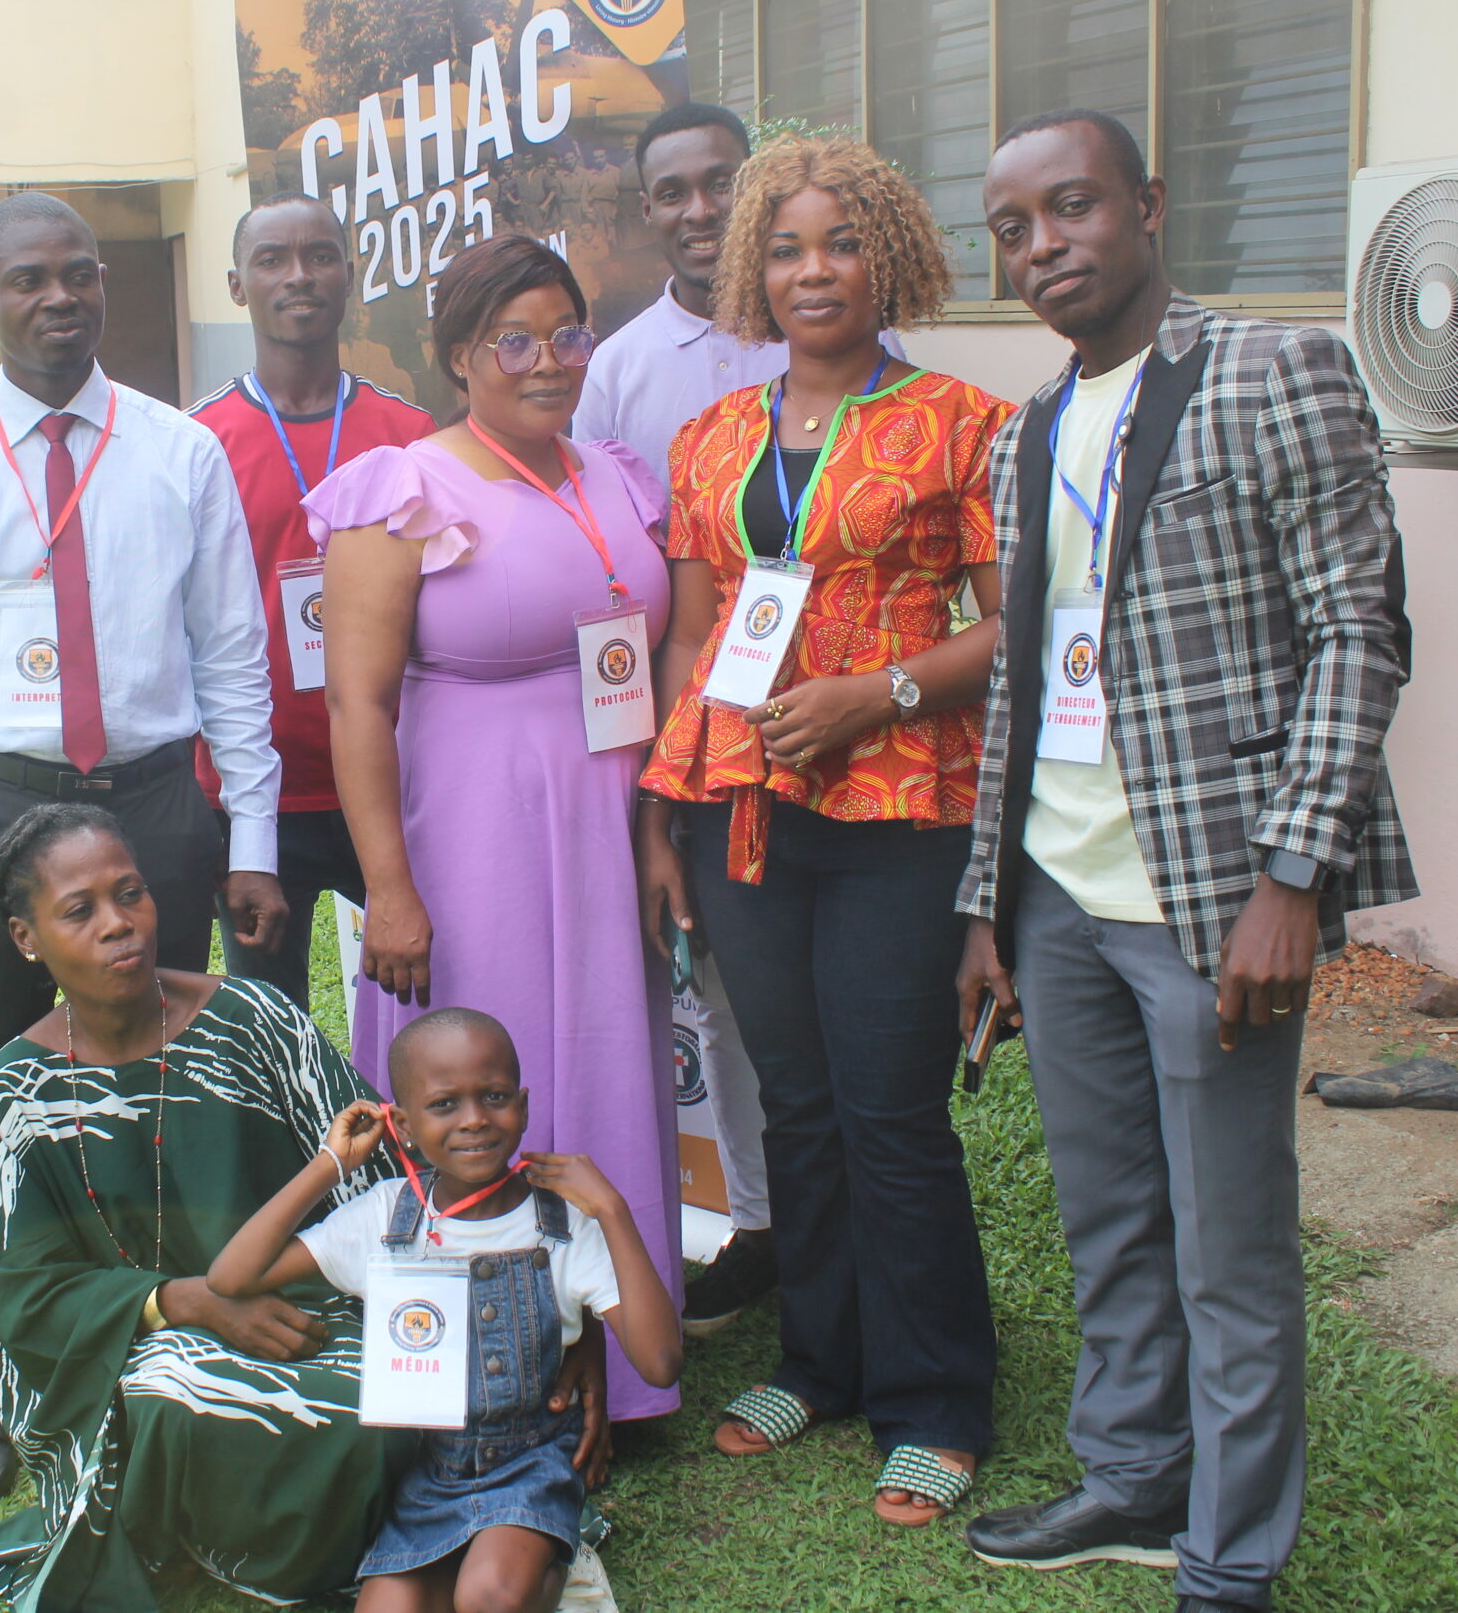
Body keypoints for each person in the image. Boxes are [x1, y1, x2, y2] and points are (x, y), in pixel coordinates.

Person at [954, 111, 1414, 1613]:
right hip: (1059, 893)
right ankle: (1134, 1476)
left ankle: (1229, 1561)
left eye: (1072, 206)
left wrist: (1293, 876)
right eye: (1013, 229)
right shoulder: (1028, 431)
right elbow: (1024, 681)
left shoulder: (1276, 371)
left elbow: (1359, 629)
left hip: (1210, 897)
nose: (1043, 247)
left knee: (1230, 1245)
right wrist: (989, 905)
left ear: (1146, 204)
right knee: (1109, 1223)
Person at [0, 191, 291, 1508]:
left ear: (105, 286)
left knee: (164, 1092)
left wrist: (252, 839)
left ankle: (165, 1356)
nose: (59, 299)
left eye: (80, 276)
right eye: (29, 280)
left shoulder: (180, 455)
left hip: (154, 807)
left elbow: (234, 660)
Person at [634, 134, 1012, 1525]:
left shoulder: (965, 422)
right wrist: (666, 815)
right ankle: (822, 1357)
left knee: (889, 1106)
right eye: (786, 248)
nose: (814, 271)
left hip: (898, 807)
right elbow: (690, 639)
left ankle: (936, 1396)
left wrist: (878, 691)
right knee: (793, 1096)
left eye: (842, 244)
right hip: (740, 813)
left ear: (887, 260)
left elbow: (1013, 626)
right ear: (754, 268)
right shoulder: (712, 436)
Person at [306, 234, 683, 1424]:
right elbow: (355, 705)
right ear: (460, 355)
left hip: (607, 820)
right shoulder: (405, 489)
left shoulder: (614, 474)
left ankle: (610, 1358)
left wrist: (657, 826)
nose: (547, 361)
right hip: (472, 837)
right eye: (513, 340)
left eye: (566, 334)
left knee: (603, 1056)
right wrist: (390, 888)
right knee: (479, 1075)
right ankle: (469, 1371)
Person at [0, 804, 398, 1608]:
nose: (118, 923)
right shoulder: (18, 1088)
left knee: (391, 1399)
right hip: (129, 1348)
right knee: (172, 1405)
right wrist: (183, 1303)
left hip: (302, 1301)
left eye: (131, 893)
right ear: (26, 937)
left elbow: (385, 1180)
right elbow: (21, 1287)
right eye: (79, 910)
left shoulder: (255, 1021)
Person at [209, 1009, 683, 1613]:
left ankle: (561, 1567)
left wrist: (612, 1210)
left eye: (495, 1097)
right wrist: (331, 1163)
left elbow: (661, 1363)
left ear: (524, 1106)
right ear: (403, 1126)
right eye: (443, 1105)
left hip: (530, 1462)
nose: (475, 1119)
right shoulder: (386, 1217)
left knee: (487, 1597)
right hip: (426, 1470)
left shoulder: (562, 1225)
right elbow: (231, 1277)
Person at [572, 102, 791, 1333]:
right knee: (715, 986)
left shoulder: (826, 317)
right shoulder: (619, 368)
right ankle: (758, 1224)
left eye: (721, 182)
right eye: (673, 191)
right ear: (647, 210)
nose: (700, 210)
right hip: (692, 720)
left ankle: (847, 1222)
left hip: (842, 723)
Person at [191, 191, 434, 1005]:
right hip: (256, 792)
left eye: (320, 256)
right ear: (237, 286)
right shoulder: (197, 443)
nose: (299, 275)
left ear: (349, 275)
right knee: (270, 1024)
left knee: (429, 1010)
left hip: (393, 779)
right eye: (272, 259)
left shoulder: (412, 436)